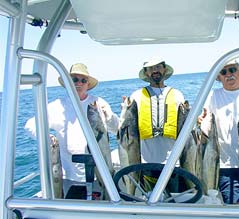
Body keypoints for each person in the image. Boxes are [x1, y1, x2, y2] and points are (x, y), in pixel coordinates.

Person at [25, 63, 120, 198]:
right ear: (68, 83)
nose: (79, 83)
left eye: (83, 80)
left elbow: (117, 130)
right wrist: (47, 138)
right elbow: (30, 125)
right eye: (74, 79)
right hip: (70, 176)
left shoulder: (99, 103)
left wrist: (110, 117)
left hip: (101, 172)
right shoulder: (57, 106)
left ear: (88, 84)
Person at [198, 59, 239, 204]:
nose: (228, 75)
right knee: (232, 205)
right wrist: (200, 120)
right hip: (226, 164)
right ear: (219, 77)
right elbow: (205, 118)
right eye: (223, 72)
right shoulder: (213, 96)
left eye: (232, 70)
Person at [129, 57, 185, 164]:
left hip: (174, 163)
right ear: (146, 73)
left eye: (158, 67)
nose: (155, 70)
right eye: (150, 68)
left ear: (164, 69)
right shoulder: (136, 96)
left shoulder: (178, 95)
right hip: (145, 163)